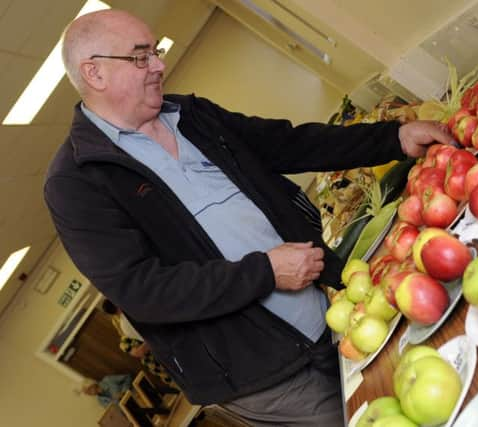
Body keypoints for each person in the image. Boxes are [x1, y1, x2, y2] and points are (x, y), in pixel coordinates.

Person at [44, 9, 456, 426]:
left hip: (332, 309)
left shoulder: (191, 115)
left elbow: (289, 144)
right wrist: (264, 273)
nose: (159, 65)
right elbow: (142, 289)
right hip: (264, 378)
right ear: (94, 74)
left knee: (422, 396)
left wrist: (393, 138)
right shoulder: (76, 182)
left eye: (156, 51)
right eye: (140, 57)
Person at [102, 299, 176, 386]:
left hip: (157, 346)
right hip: (163, 339)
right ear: (116, 304)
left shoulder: (123, 326)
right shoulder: (131, 312)